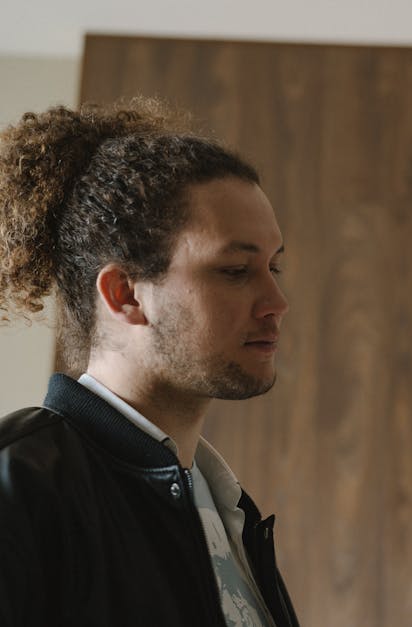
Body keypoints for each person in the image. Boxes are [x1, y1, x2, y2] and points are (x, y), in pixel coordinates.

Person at [0, 99, 298, 626]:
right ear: (125, 294)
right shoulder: (18, 485)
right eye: (234, 269)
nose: (276, 301)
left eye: (273, 266)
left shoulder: (226, 507)